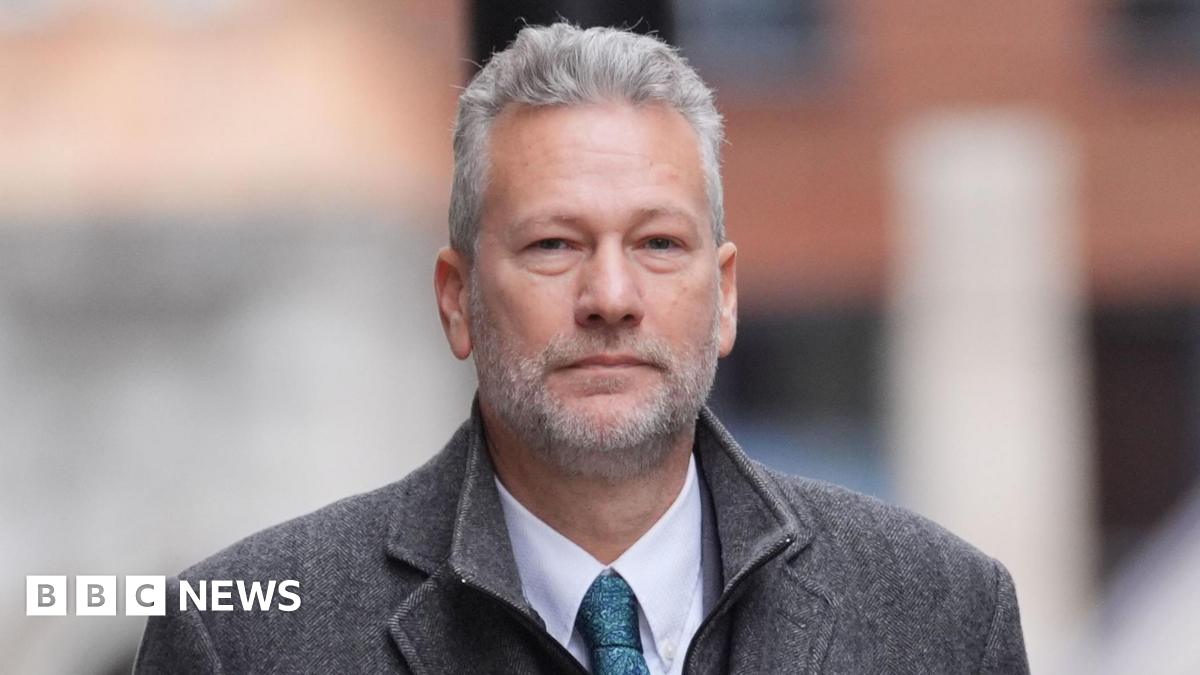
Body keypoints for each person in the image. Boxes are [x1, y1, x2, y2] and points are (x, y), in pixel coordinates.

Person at [135, 22, 1029, 674]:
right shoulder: (246, 640)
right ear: (457, 300)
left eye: (658, 244)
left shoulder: (944, 617)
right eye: (555, 245)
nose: (611, 298)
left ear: (723, 296)